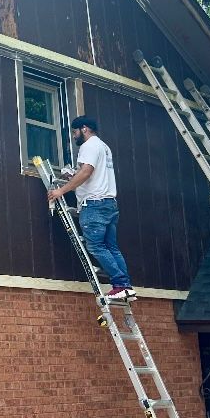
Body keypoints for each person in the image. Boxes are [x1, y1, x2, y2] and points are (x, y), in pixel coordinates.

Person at [46, 116, 136, 301]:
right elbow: (90, 172)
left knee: (95, 246)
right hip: (109, 203)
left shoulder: (88, 146)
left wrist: (60, 191)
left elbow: (86, 172)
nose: (73, 136)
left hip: (94, 205)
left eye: (75, 131)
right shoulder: (103, 147)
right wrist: (72, 174)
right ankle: (125, 285)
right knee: (111, 247)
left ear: (84, 129)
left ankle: (120, 283)